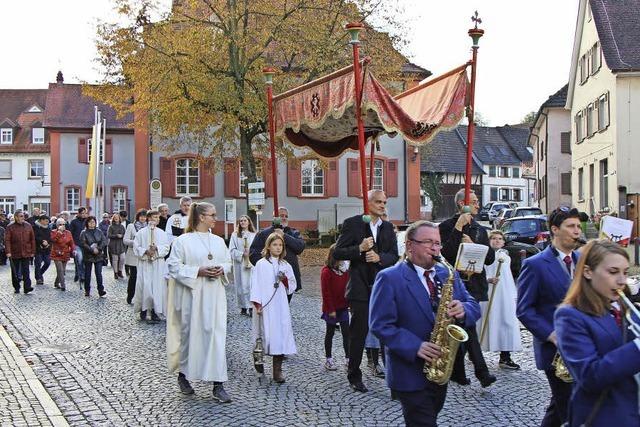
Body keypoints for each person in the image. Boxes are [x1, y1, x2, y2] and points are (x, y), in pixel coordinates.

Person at [369, 221, 481, 426]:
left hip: (440, 370)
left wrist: (464, 310)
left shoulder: (447, 273)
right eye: (428, 242)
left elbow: (472, 304)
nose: (435, 248)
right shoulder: (389, 278)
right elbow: (380, 325)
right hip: (409, 372)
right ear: (410, 245)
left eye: (437, 243)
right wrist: (415, 346)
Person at [555, 240, 640, 426]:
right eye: (613, 272)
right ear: (588, 272)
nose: (621, 280)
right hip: (606, 417)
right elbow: (589, 376)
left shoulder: (626, 308)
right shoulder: (570, 315)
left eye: (625, 273)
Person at [517, 207, 582, 427]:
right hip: (555, 352)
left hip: (582, 346)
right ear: (555, 230)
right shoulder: (534, 265)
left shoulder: (583, 260)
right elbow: (524, 309)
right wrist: (551, 334)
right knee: (570, 410)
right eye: (571, 226)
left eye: (578, 226)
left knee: (559, 407)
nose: (577, 231)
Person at [166, 202, 232, 402]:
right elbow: (173, 266)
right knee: (190, 335)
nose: (215, 218)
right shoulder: (183, 241)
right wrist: (198, 271)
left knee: (216, 336)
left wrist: (221, 269)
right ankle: (183, 376)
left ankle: (218, 384)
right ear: (202, 217)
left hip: (215, 295)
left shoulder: (219, 241)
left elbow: (227, 261)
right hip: (192, 297)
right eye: (212, 214)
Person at [334, 189, 399, 393]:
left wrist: (380, 258)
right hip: (360, 287)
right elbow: (338, 251)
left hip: (382, 288)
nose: (382, 205)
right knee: (358, 333)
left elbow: (394, 256)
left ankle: (392, 375)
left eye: (384, 202)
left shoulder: (388, 228)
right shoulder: (353, 224)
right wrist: (359, 249)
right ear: (368, 202)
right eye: (378, 201)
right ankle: (354, 374)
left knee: (387, 332)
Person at [438, 188, 496, 387]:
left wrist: (474, 246)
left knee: (467, 326)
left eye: (478, 201)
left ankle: (459, 371)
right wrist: (457, 229)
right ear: (462, 203)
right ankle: (481, 372)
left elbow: (489, 259)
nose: (478, 205)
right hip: (455, 284)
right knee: (466, 326)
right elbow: (446, 253)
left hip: (475, 283)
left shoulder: (480, 229)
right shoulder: (446, 226)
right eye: (474, 201)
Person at [250, 232, 297, 383]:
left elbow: (292, 285)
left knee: (280, 334)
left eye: (280, 245)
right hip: (264, 306)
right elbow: (255, 284)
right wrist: (258, 304)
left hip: (280, 305)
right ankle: (259, 360)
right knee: (262, 334)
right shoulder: (261, 264)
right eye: (275, 245)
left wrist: (284, 281)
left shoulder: (286, 265)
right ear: (268, 246)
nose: (278, 248)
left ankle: (277, 370)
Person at [477, 230, 522, 369]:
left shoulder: (505, 256)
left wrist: (513, 295)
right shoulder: (484, 255)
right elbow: (477, 272)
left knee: (506, 322)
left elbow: (509, 277)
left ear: (503, 242)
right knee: (483, 321)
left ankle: (505, 356)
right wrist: (487, 279)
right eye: (494, 238)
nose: (497, 241)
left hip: (504, 296)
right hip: (488, 294)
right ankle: (475, 354)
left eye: (500, 239)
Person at [250, 207, 305, 300]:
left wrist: (284, 236)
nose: (284, 218)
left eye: (286, 216)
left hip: (287, 276)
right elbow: (253, 254)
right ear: (274, 217)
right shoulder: (263, 234)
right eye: (281, 216)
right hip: (269, 278)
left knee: (285, 305)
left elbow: (299, 247)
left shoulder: (293, 232)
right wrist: (267, 266)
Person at [133, 210, 170, 322]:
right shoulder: (141, 233)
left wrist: (157, 249)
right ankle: (143, 310)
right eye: (154, 217)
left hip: (158, 264)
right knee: (144, 286)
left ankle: (155, 311)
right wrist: (145, 251)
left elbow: (166, 247)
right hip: (145, 264)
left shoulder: (162, 233)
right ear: (149, 218)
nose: (157, 220)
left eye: (158, 218)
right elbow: (136, 246)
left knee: (157, 287)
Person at [320, 244, 350, 371]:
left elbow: (348, 288)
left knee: (346, 334)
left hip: (343, 307)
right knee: (330, 333)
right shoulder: (326, 272)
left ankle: (348, 359)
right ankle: (329, 359)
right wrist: (331, 309)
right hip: (331, 308)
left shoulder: (345, 271)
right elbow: (326, 293)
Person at [228, 215, 256, 316]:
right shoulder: (235, 235)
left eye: (245, 220)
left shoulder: (254, 234)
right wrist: (241, 254)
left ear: (249, 222)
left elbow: (257, 248)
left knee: (251, 285)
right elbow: (231, 250)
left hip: (251, 263)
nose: (243, 222)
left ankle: (252, 307)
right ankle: (243, 306)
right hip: (240, 264)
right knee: (241, 286)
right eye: (241, 221)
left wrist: (251, 253)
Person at [5, 210, 36, 294]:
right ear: (16, 217)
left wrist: (33, 251)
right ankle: (16, 287)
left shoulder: (28, 226)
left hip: (26, 251)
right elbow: (7, 240)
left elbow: (32, 239)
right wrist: (8, 251)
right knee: (15, 271)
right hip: (15, 252)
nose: (23, 218)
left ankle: (27, 287)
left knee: (26, 270)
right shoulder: (10, 227)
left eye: (23, 216)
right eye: (21, 216)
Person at [79, 216, 108, 297]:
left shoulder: (99, 231)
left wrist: (98, 249)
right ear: (87, 223)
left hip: (98, 255)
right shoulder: (84, 232)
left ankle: (101, 290)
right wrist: (92, 250)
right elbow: (83, 243)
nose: (92, 224)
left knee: (99, 273)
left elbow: (103, 241)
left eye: (93, 222)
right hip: (88, 255)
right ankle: (87, 290)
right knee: (87, 273)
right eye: (90, 222)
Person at [124, 209, 147, 304]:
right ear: (137, 217)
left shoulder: (148, 227)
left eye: (144, 216)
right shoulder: (131, 226)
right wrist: (136, 243)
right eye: (141, 216)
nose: (143, 218)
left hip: (145, 255)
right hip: (133, 255)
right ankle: (130, 295)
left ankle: (141, 297)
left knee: (144, 278)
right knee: (134, 276)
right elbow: (125, 240)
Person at [50, 218, 75, 291]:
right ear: (57, 225)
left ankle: (56, 283)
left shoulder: (68, 233)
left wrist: (73, 250)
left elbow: (71, 243)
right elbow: (53, 240)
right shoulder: (53, 232)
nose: (62, 226)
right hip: (56, 253)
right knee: (60, 270)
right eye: (60, 224)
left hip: (65, 253)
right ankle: (63, 285)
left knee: (62, 270)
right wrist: (59, 233)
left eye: (63, 224)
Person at [69, 207, 88, 285]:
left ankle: (78, 273)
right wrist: (71, 244)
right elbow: (70, 233)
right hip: (76, 244)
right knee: (79, 259)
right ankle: (81, 275)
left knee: (84, 260)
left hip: (86, 244)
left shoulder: (87, 221)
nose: (84, 215)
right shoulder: (74, 222)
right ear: (79, 213)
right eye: (82, 213)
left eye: (85, 213)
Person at [33, 215, 52, 286]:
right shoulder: (35, 227)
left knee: (47, 262)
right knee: (38, 264)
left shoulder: (48, 228)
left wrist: (48, 243)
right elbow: (35, 237)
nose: (47, 223)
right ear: (41, 220)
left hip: (47, 248)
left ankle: (40, 273)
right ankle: (38, 278)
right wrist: (41, 241)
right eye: (46, 221)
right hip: (38, 248)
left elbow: (50, 237)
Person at [107, 213, 127, 280]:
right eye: (115, 217)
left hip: (121, 244)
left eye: (117, 217)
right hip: (113, 244)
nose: (116, 219)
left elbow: (125, 234)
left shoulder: (122, 226)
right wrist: (116, 235)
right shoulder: (111, 227)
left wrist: (122, 236)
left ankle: (120, 271)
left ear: (119, 218)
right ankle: (115, 272)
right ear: (113, 219)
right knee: (115, 260)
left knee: (122, 258)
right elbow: (109, 235)